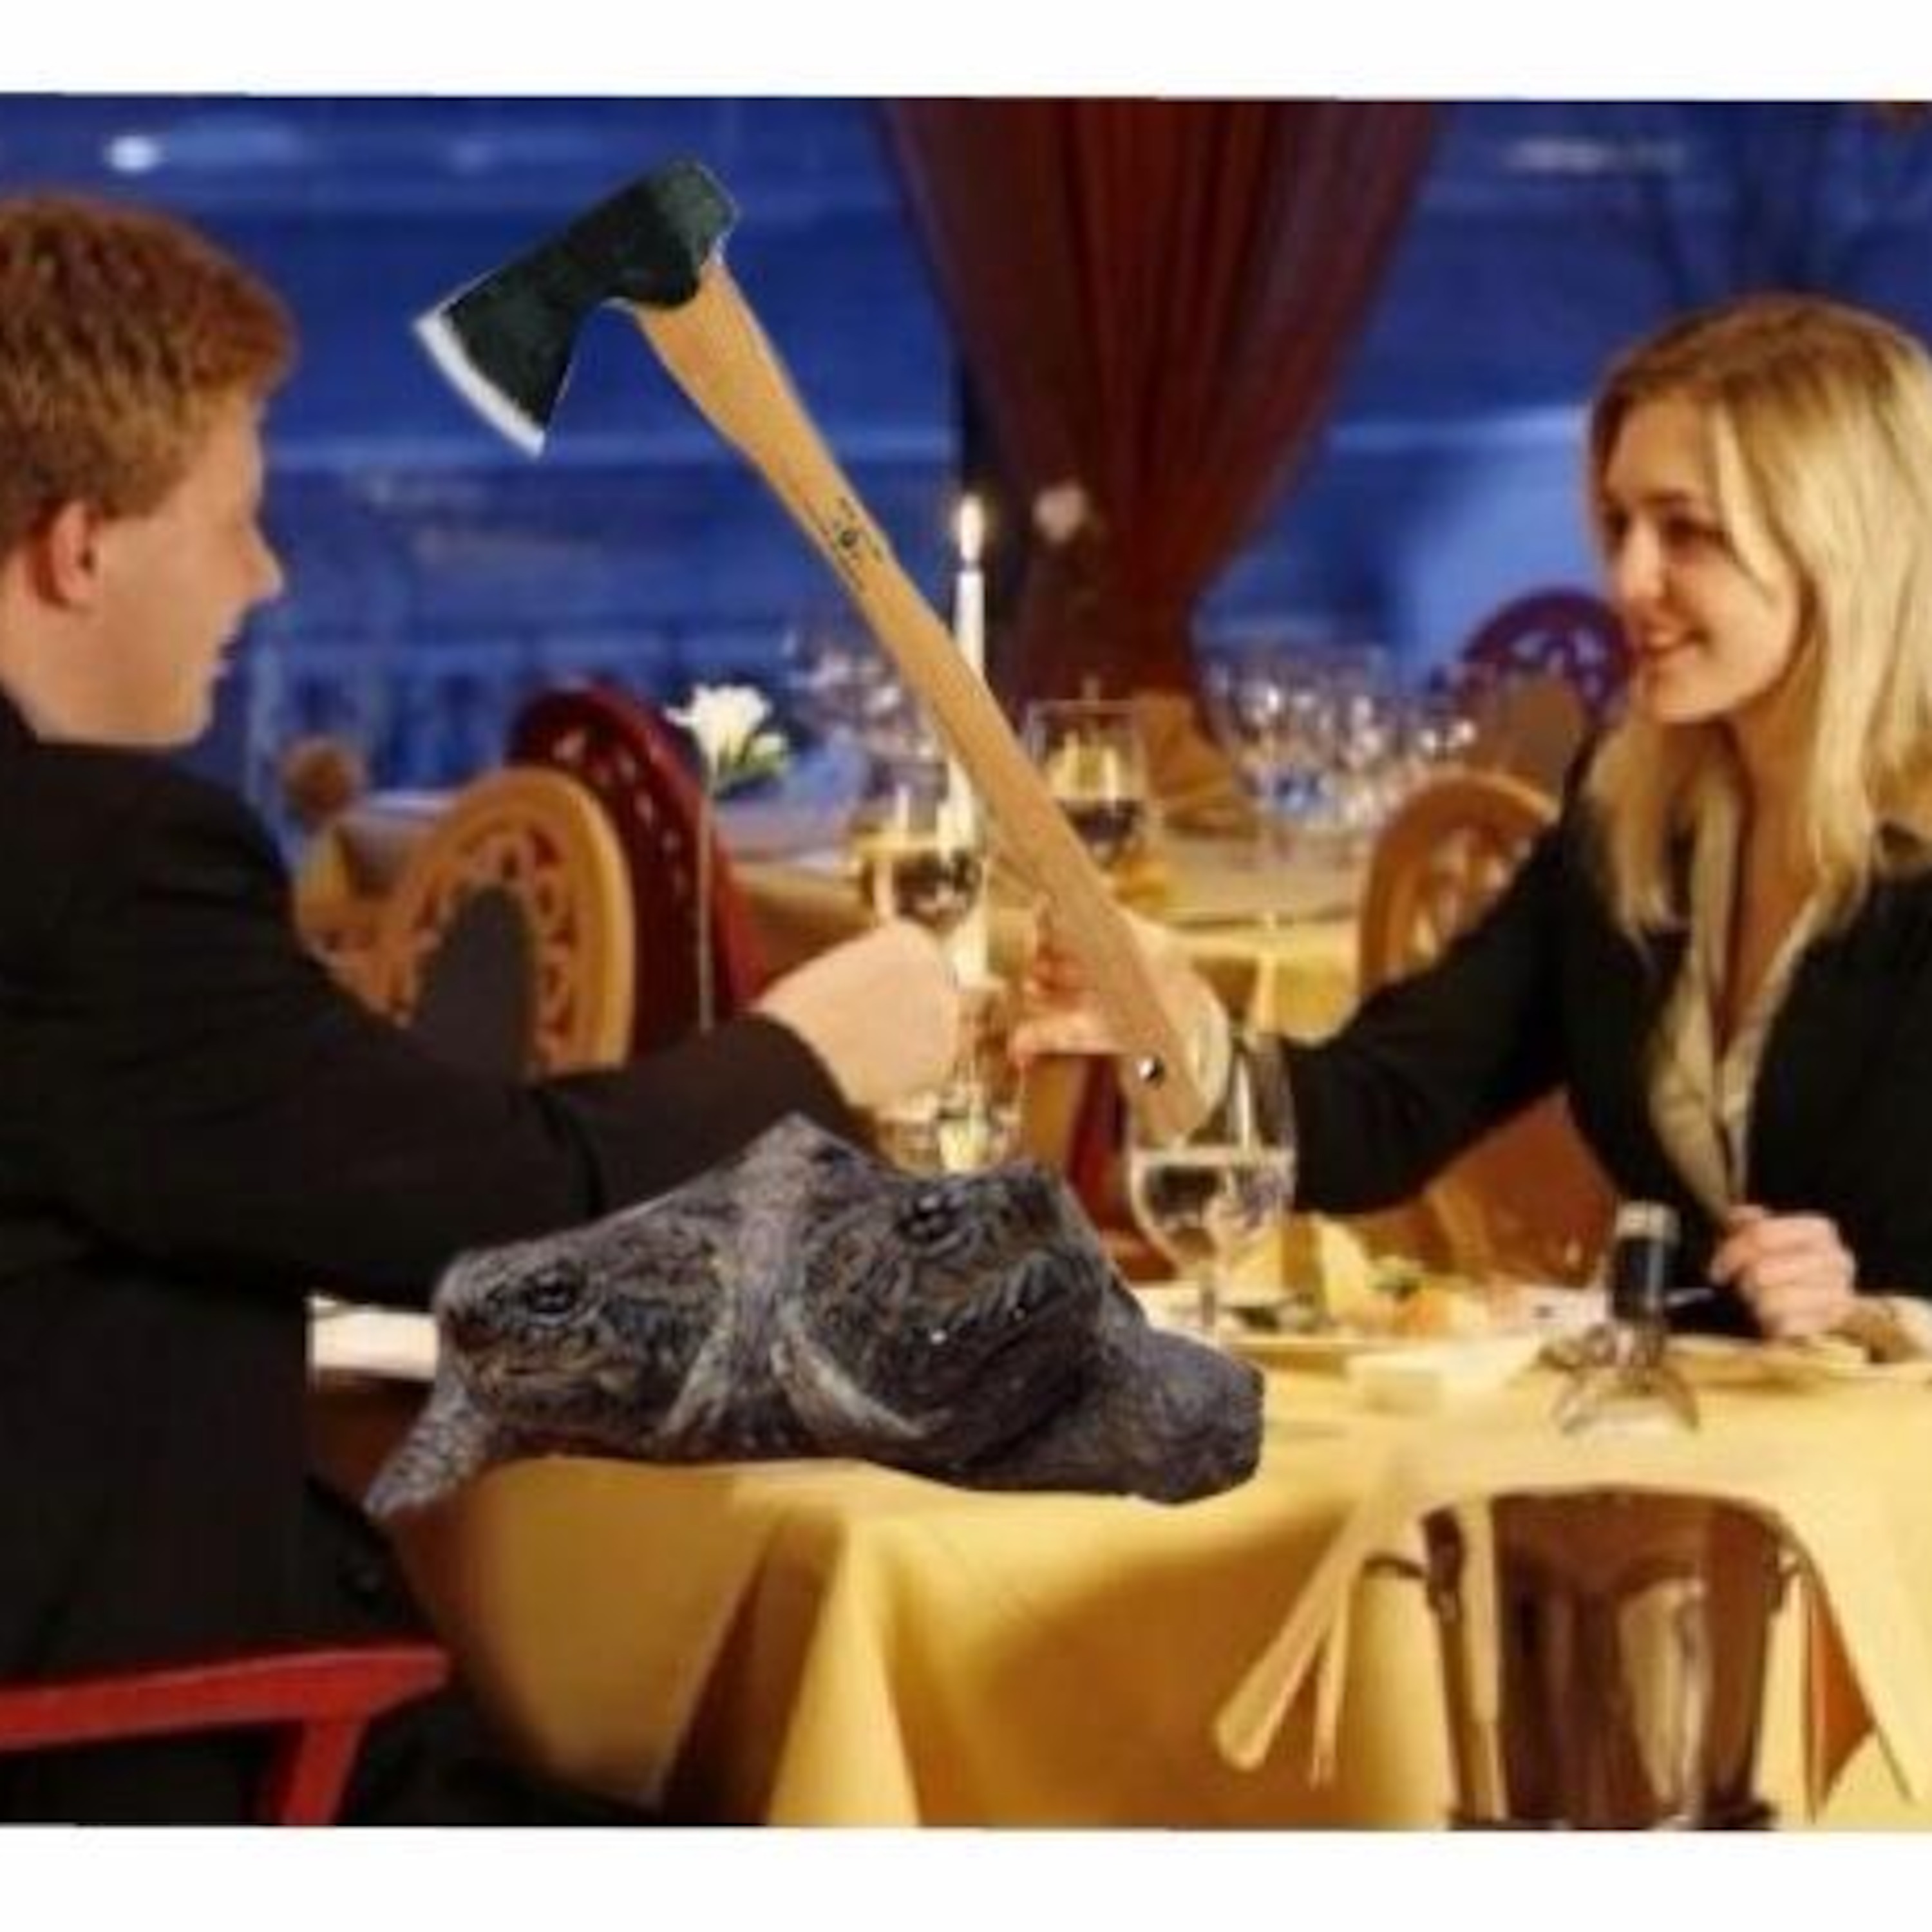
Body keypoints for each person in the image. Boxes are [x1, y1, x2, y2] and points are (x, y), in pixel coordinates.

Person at [0, 193, 961, 1821]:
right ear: (80, 548)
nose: (264, 577)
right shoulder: (98, 873)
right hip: (152, 1762)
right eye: (236, 521)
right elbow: (520, 1212)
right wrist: (817, 1049)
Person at [1023, 292, 1932, 1350]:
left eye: (1687, 532)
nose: (1628, 578)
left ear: (1842, 552)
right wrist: (1173, 1023)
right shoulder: (1631, 814)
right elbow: (1388, 1111)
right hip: (1701, 1432)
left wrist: (1881, 1317)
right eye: (1620, 525)